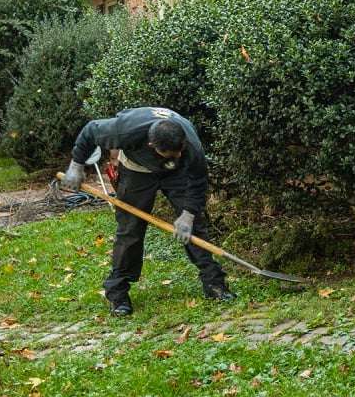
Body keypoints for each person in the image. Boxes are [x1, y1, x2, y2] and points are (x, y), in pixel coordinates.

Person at [60, 107, 235, 316]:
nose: (178, 155)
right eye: (171, 153)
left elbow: (197, 182)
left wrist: (187, 215)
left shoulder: (190, 145)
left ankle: (214, 284)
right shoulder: (125, 130)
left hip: (175, 174)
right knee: (130, 230)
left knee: (195, 226)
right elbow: (90, 131)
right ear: (151, 145)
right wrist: (76, 166)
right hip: (137, 170)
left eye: (180, 150)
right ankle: (118, 294)